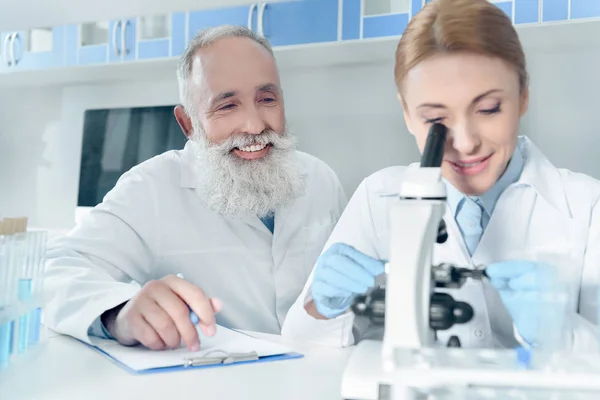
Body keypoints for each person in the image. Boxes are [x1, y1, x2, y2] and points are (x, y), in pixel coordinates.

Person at [281, 0, 600, 352]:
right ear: (406, 114)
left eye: (488, 109)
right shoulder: (379, 198)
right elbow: (300, 346)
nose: (464, 143)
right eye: (436, 121)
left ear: (523, 95)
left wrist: (563, 332)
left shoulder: (586, 206)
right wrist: (324, 307)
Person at [43, 25, 347, 352]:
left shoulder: (321, 179)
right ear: (188, 124)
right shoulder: (151, 189)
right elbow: (56, 270)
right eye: (227, 105)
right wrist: (120, 312)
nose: (255, 125)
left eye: (267, 99)